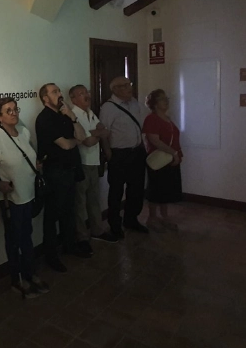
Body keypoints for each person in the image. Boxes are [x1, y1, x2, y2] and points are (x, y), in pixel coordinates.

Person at [0, 97, 49, 299]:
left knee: (26, 236)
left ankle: (30, 274)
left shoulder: (24, 132)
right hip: (11, 199)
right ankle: (17, 280)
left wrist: (35, 166)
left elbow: (26, 159)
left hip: (28, 194)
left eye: (15, 109)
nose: (14, 113)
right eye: (8, 110)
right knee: (14, 239)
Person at [34, 83, 89, 272]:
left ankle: (70, 246)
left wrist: (73, 118)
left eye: (59, 91)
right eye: (54, 92)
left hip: (70, 170)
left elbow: (81, 136)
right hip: (55, 173)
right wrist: (74, 141)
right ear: (45, 98)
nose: (59, 94)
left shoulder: (64, 115)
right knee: (52, 216)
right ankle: (51, 256)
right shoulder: (44, 119)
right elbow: (66, 145)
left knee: (69, 212)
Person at [69, 84, 119, 252]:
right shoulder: (73, 115)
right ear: (73, 99)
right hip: (81, 163)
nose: (86, 95)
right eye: (81, 93)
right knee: (80, 203)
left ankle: (97, 230)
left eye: (86, 92)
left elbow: (103, 132)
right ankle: (82, 237)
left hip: (94, 162)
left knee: (94, 200)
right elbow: (88, 141)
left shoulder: (90, 113)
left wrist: (93, 134)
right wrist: (96, 134)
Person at [99, 76, 149, 237]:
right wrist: (108, 153)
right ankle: (114, 224)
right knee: (116, 191)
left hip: (137, 152)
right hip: (119, 154)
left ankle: (131, 219)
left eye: (129, 84)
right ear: (115, 89)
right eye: (125, 85)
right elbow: (104, 133)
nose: (129, 87)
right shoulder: (108, 108)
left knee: (136, 189)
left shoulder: (134, 103)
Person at [142, 89, 183, 232]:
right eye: (162, 99)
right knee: (156, 190)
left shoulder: (167, 118)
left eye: (166, 98)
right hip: (159, 160)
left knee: (165, 190)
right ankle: (152, 218)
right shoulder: (151, 119)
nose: (166, 101)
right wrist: (174, 153)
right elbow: (154, 140)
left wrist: (175, 155)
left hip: (170, 159)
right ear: (154, 103)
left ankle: (164, 217)